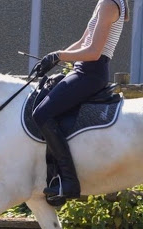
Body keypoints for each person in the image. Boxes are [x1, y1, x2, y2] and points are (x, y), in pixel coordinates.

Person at [31, 0, 129, 201]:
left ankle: (69, 181)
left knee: (41, 114)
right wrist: (53, 58)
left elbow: (93, 52)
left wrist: (59, 55)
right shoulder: (104, 2)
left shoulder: (110, 4)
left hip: (90, 73)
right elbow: (83, 42)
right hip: (81, 70)